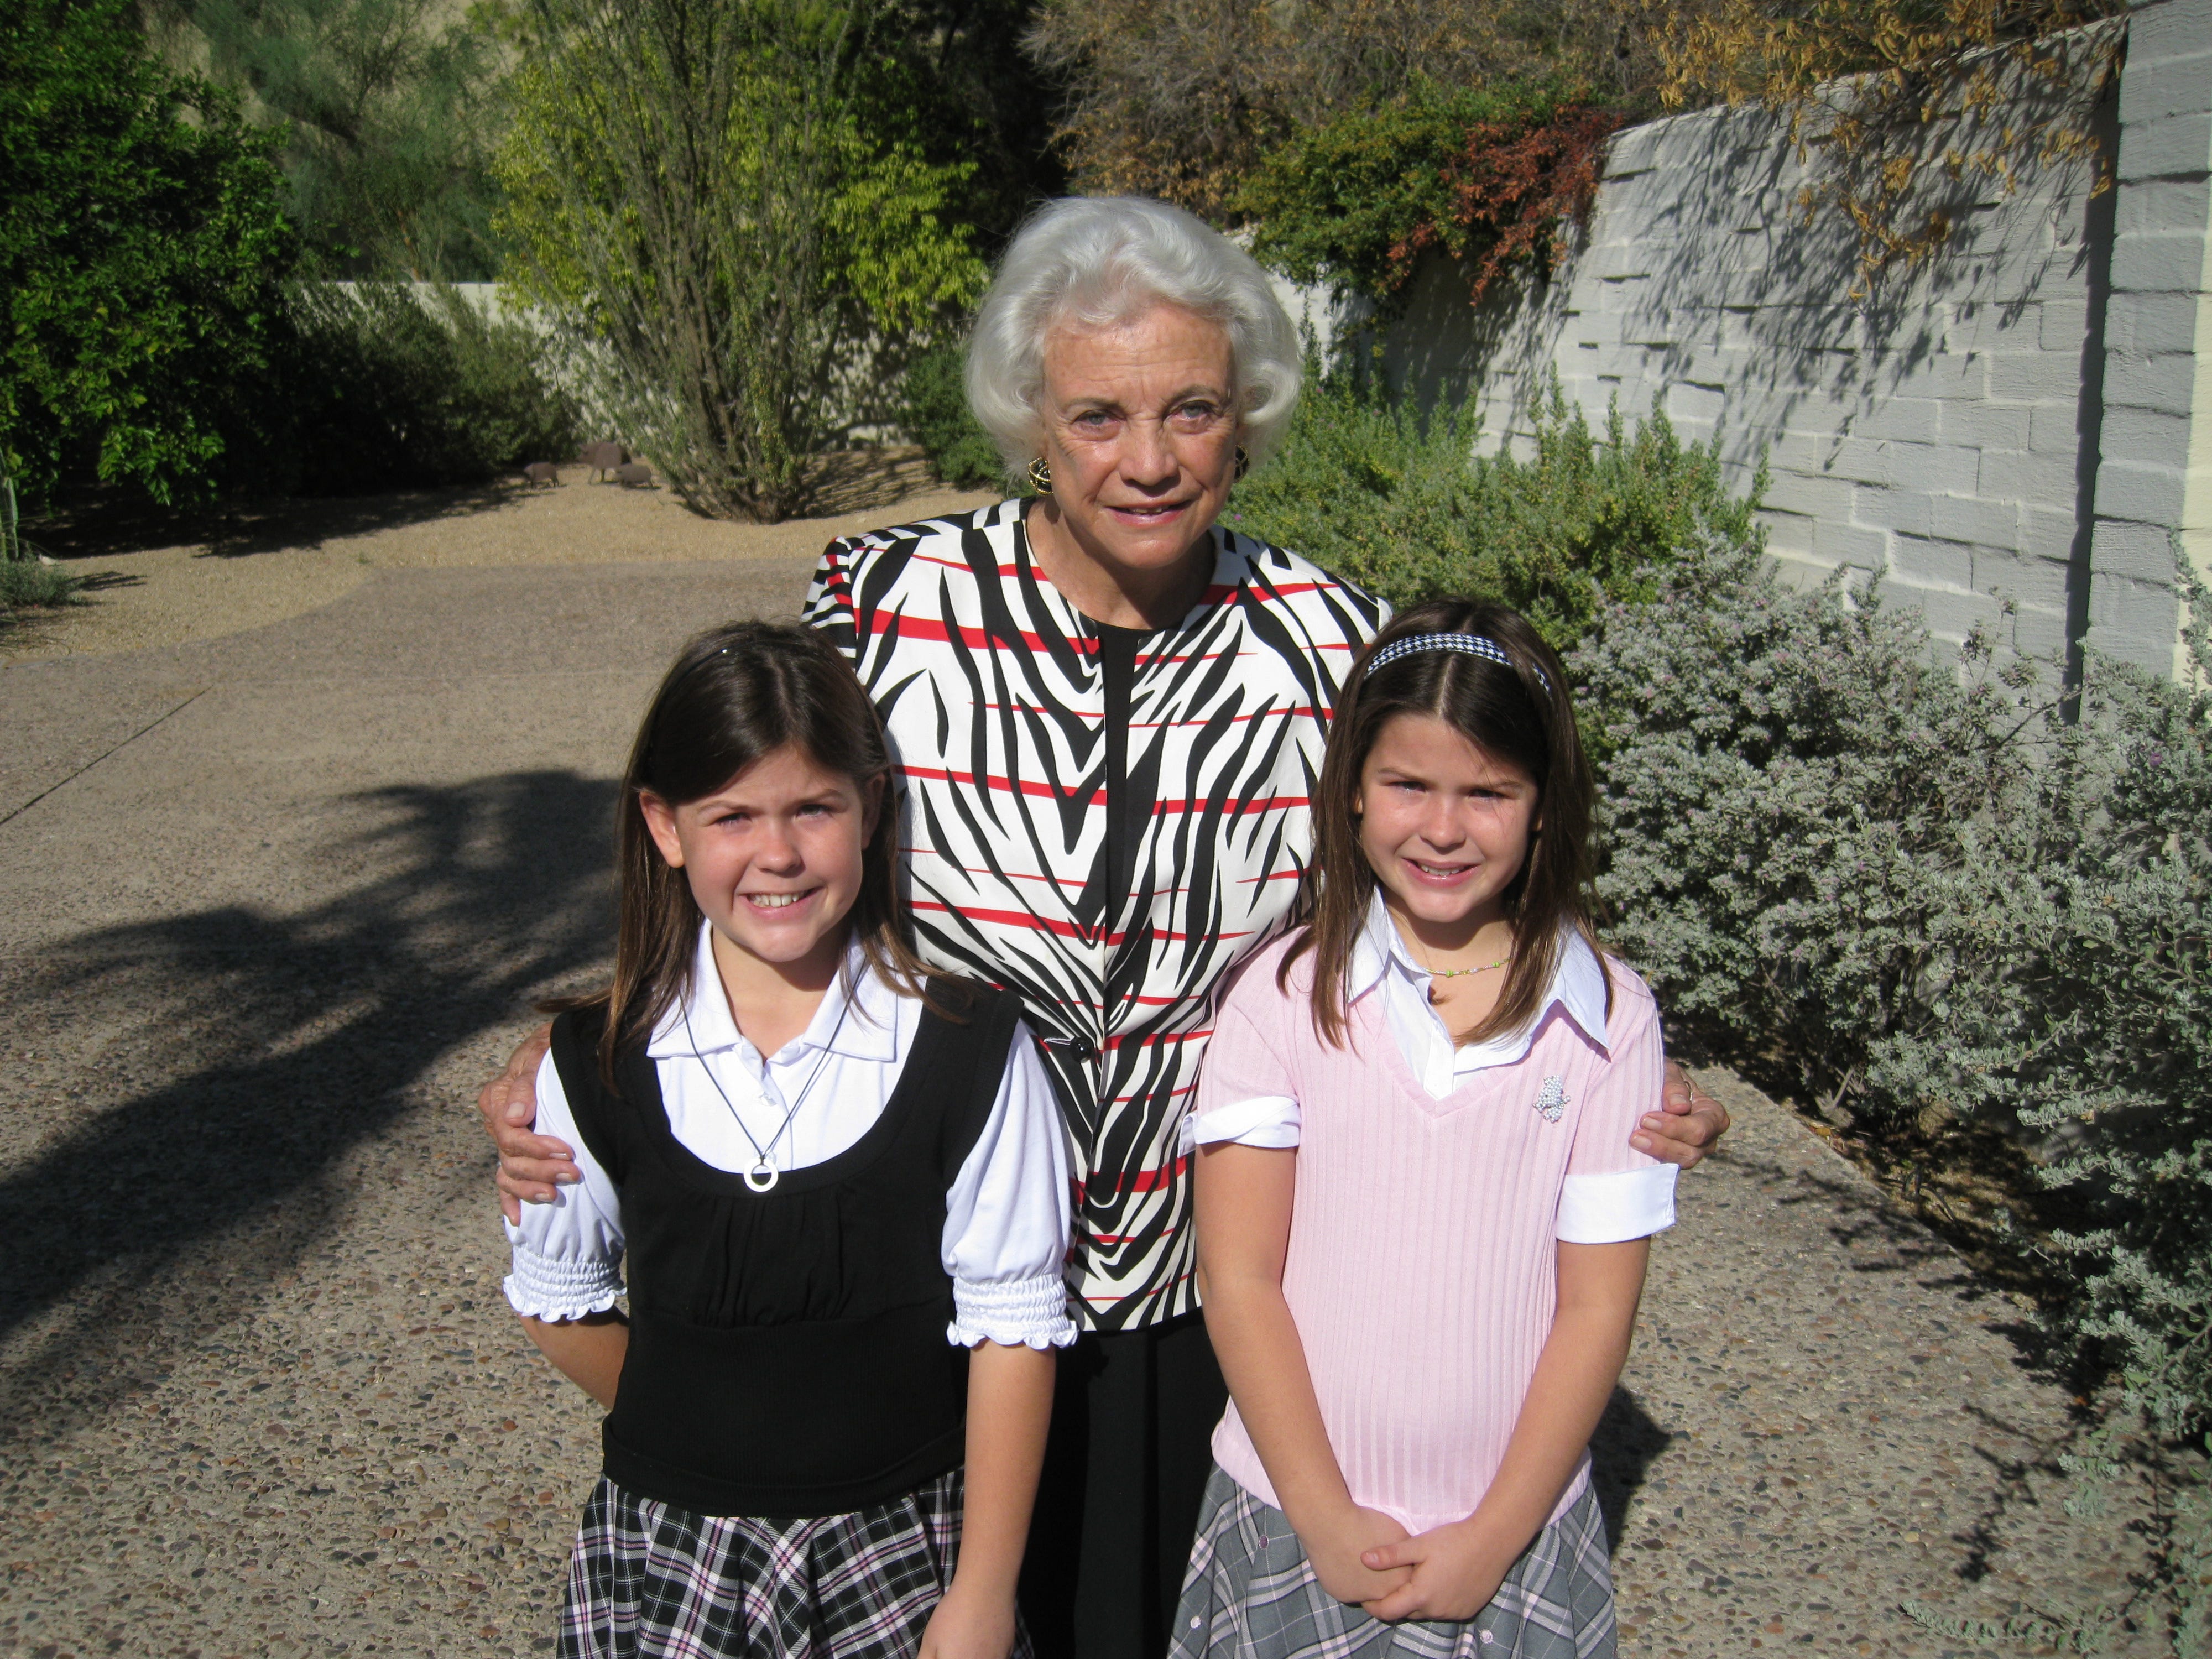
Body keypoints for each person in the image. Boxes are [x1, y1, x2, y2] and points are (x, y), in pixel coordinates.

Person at [481, 197, 1733, 1659]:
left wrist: (1609, 1057)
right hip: (930, 1261)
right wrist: (589, 1040)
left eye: (1193, 408)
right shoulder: (885, 608)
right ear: (1029, 419)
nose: (1148, 459)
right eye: (1098, 414)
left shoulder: (1332, 641)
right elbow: (764, 831)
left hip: (1204, 1279)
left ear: (1248, 418)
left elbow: (1455, 859)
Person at [503, 621, 1072, 1659]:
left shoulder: (969, 1052)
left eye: (814, 808)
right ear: (664, 827)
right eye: (733, 816)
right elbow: (559, 1300)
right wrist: (712, 1415)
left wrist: (984, 1595)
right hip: (671, 1557)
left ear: (871, 810)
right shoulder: (592, 1066)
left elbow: (1012, 1335)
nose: (778, 852)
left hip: (910, 1551)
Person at [1175, 600, 1673, 1659]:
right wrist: (1322, 1514)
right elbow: (1242, 1278)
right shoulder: (1281, 996)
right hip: (1291, 1519)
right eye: (1409, 785)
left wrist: (1494, 1536)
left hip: (1512, 1540)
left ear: (1544, 805)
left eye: (1489, 793)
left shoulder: (1609, 1022)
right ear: (1353, 787)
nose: (1443, 830)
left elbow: (1594, 1311)